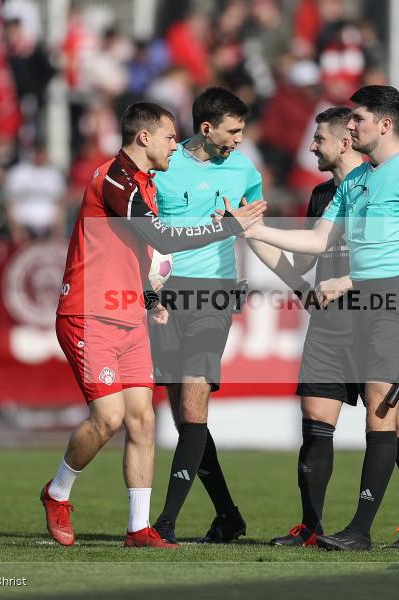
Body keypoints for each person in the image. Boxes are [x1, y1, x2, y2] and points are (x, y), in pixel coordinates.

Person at [41, 102, 265, 548]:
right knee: (109, 418)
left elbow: (139, 252)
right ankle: (57, 491)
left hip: (129, 315)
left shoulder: (144, 183)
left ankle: (139, 529)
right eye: (167, 137)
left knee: (143, 421)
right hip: (89, 314)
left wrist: (151, 296)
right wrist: (226, 227)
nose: (173, 145)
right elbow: (159, 237)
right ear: (144, 138)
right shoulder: (115, 178)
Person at [244, 85, 399, 551]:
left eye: (357, 118)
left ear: (384, 124)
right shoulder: (355, 183)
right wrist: (254, 230)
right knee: (390, 419)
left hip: (397, 302)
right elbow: (318, 243)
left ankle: (360, 530)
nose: (350, 125)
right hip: (357, 312)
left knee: (382, 415)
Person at [149, 86, 286, 545]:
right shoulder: (164, 166)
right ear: (205, 129)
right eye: (233, 131)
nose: (239, 140)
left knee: (192, 405)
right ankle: (228, 516)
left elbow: (255, 230)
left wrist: (297, 277)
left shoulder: (244, 170)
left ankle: (164, 523)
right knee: (187, 418)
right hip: (167, 298)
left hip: (214, 296)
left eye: (242, 130)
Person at [266, 106, 362, 546]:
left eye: (319, 139)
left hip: (376, 324)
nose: (311, 146)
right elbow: (306, 258)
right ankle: (311, 526)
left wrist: (349, 281)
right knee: (315, 424)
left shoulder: (380, 190)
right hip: (328, 328)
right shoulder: (321, 195)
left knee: (394, 428)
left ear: (345, 141)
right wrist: (256, 231)